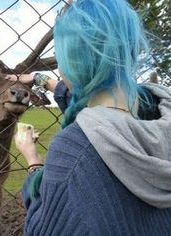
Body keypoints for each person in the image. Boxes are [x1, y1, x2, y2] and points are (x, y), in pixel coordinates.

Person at [13, 0, 171, 235]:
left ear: (70, 63)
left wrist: (33, 160)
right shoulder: (158, 108)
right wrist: (39, 79)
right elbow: (95, 103)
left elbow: (41, 226)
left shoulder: (74, 155)